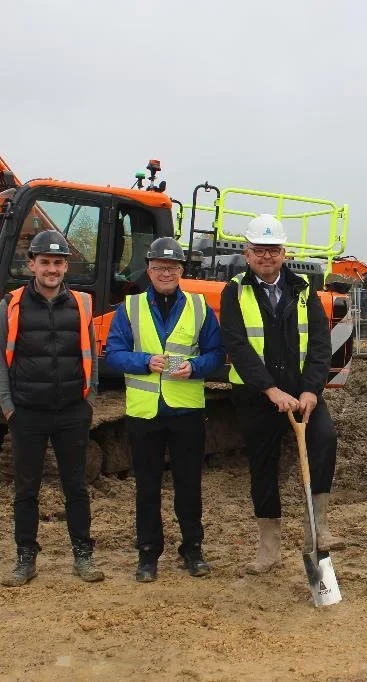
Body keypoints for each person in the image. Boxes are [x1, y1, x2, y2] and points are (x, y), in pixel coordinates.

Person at [219, 214, 342, 575]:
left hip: (302, 394)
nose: (266, 257)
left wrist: (310, 390)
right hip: (258, 396)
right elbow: (237, 346)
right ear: (247, 252)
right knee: (262, 465)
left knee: (325, 440)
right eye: (259, 250)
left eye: (273, 250)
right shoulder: (234, 292)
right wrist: (270, 390)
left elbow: (320, 343)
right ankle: (269, 547)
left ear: (284, 252)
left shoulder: (303, 289)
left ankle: (317, 531)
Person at [104, 237, 224, 582]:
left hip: (186, 411)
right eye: (159, 267)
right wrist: (145, 361)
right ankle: (147, 554)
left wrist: (196, 367)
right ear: (149, 270)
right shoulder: (130, 308)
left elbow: (216, 354)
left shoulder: (200, 308)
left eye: (172, 267)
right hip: (145, 412)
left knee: (189, 485)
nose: (165, 273)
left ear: (181, 270)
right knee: (147, 486)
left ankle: (192, 549)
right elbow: (113, 354)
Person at [0, 230, 103, 587]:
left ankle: (82, 556)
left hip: (72, 409)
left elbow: (91, 354)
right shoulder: (11, 304)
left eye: (58, 262)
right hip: (27, 412)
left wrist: (89, 398)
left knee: (76, 486)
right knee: (26, 489)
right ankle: (26, 559)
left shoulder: (82, 304)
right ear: (32, 265)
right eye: (45, 262)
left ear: (66, 266)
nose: (52, 269)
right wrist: (9, 406)